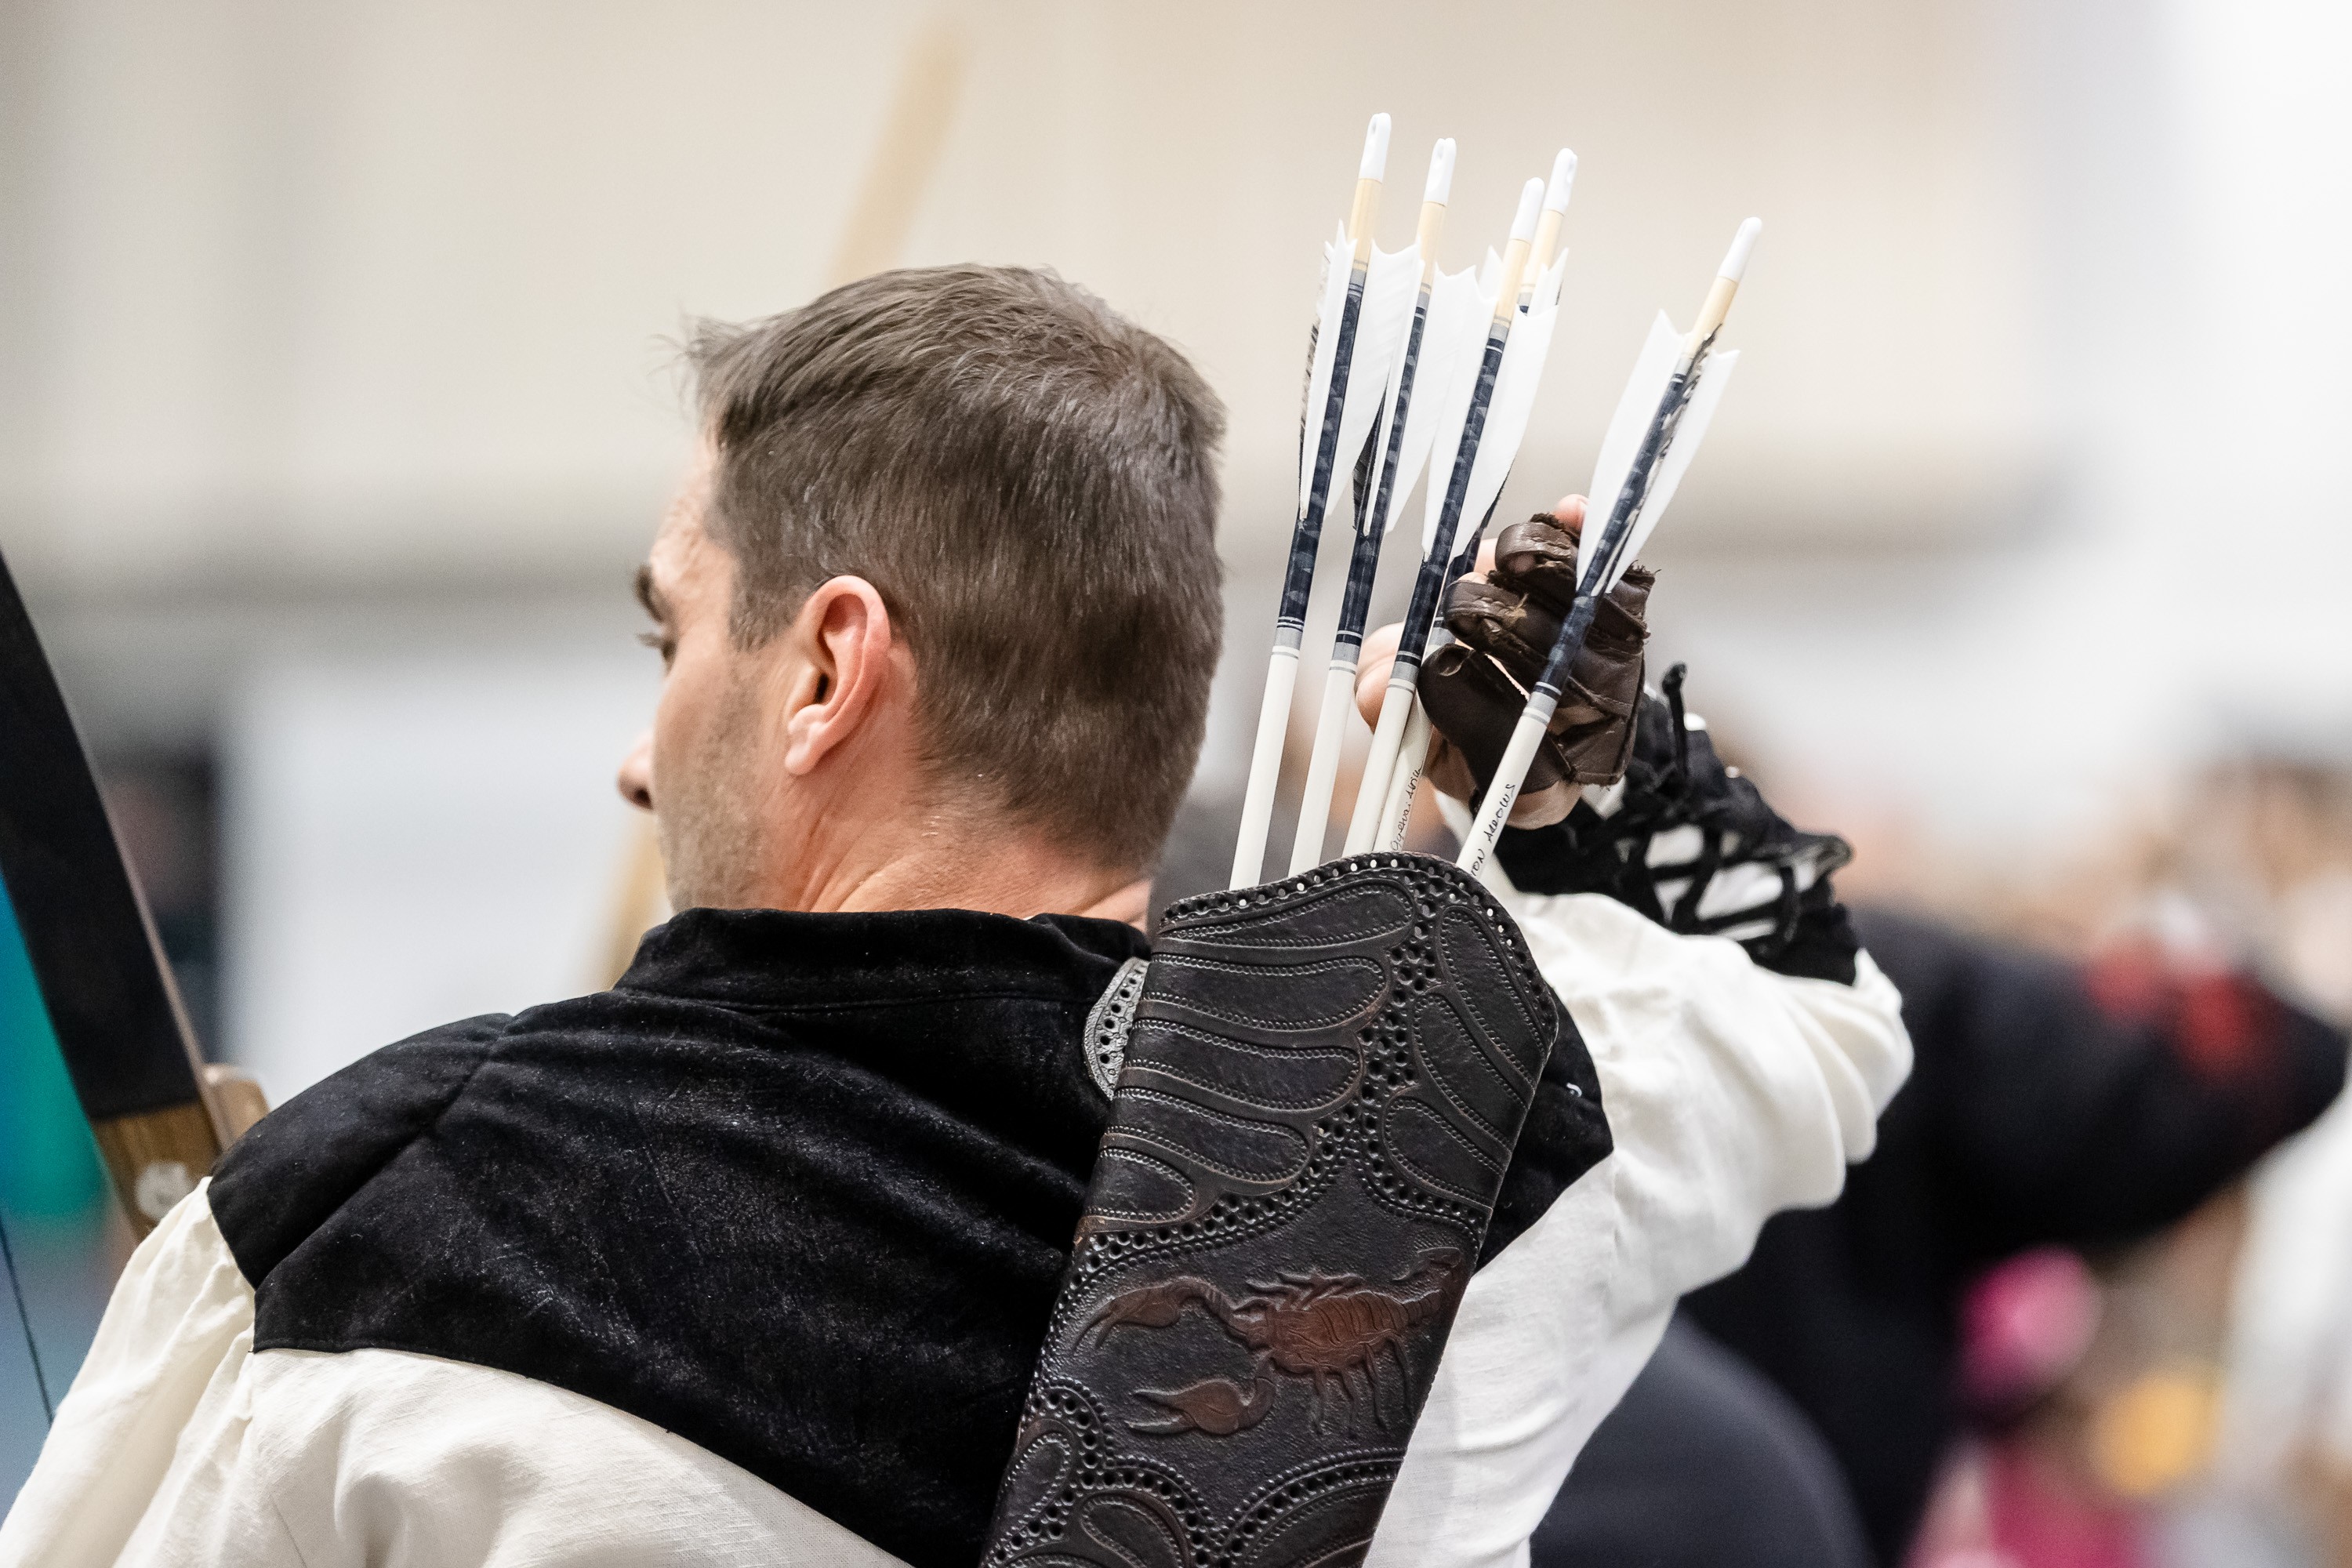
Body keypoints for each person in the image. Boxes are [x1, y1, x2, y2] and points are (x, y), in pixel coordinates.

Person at [0, 265, 1909, 1568]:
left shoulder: (400, 1214)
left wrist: (255, 1247)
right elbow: (1817, 1007)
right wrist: (1592, 765)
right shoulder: (1446, 1141)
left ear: (830, 668)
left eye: (674, 637)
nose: (639, 757)